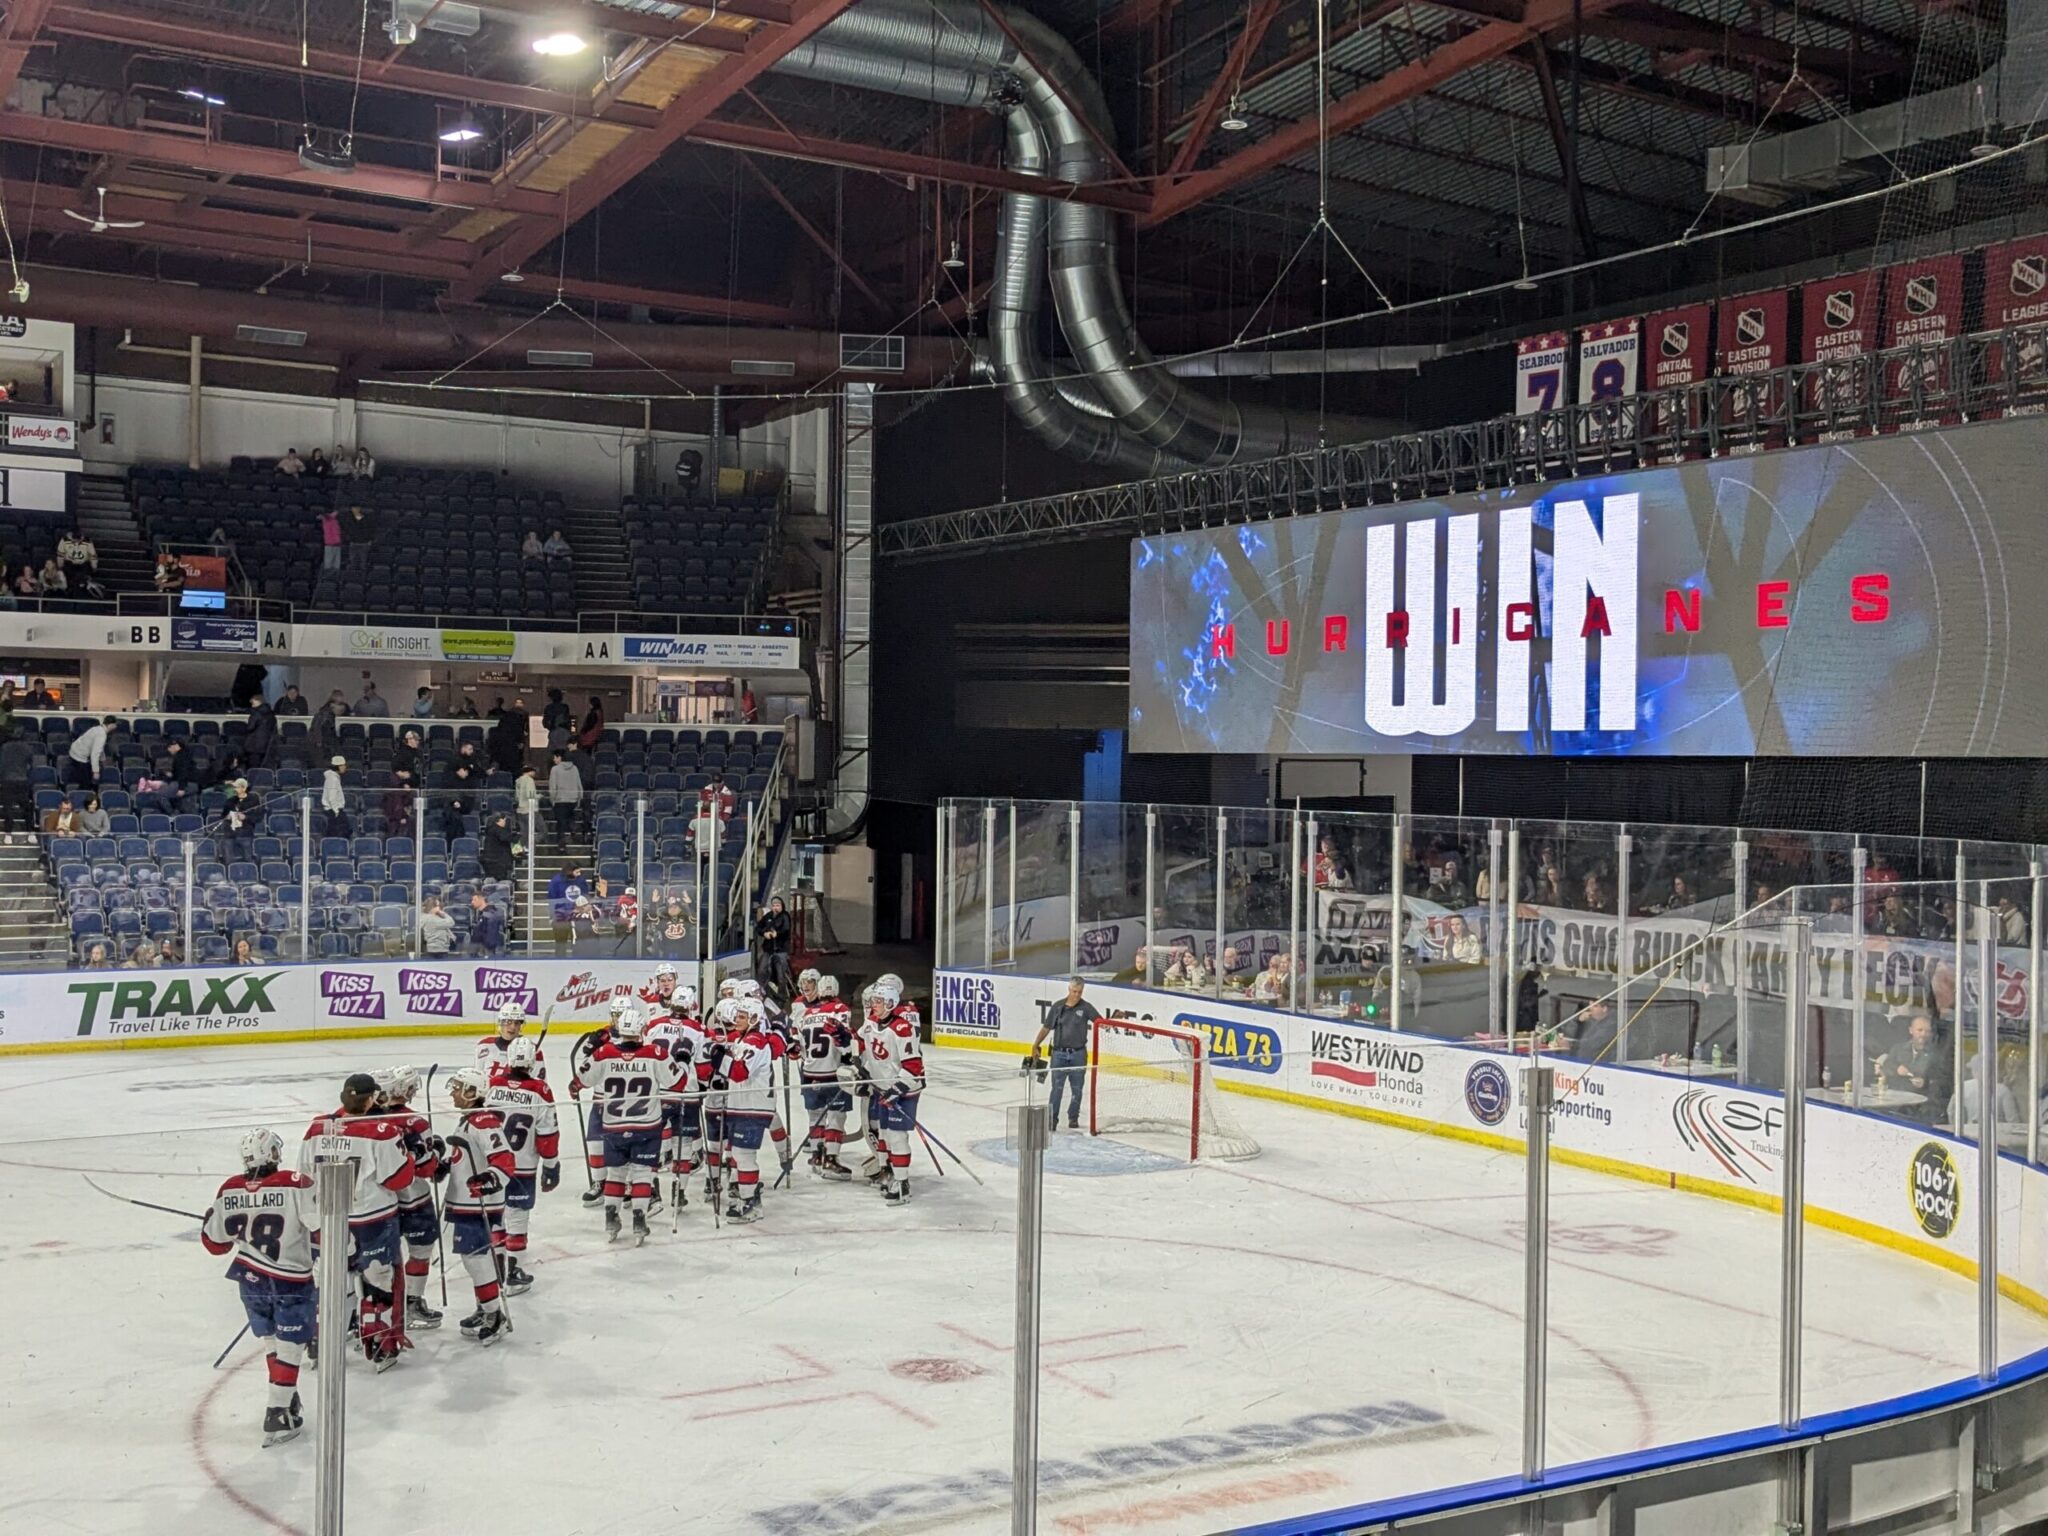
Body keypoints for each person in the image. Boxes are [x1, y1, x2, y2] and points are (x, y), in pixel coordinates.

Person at [200, 1129, 319, 1446]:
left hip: (250, 1278)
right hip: (290, 1278)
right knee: (291, 1345)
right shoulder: (295, 1183)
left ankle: (286, 1397)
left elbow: (215, 1244)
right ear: (273, 1154)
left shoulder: (229, 1189)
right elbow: (320, 1225)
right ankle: (277, 1411)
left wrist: (210, 1219)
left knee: (272, 1341)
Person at [297, 1072, 416, 1369]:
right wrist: (411, 1156)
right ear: (371, 1099)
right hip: (372, 1221)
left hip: (329, 1220)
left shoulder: (317, 1128)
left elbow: (304, 1178)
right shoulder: (382, 1131)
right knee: (379, 1283)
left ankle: (321, 1340)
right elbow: (398, 1179)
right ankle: (382, 1343)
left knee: (331, 1282)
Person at [588, 1004, 681, 1244]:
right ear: (641, 1029)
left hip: (613, 1126)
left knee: (616, 1173)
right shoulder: (655, 1053)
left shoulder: (604, 1053)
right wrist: (681, 1061)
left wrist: (590, 1053)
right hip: (646, 1126)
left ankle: (611, 1218)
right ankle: (639, 1220)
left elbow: (581, 1081)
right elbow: (678, 1083)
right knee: (641, 1173)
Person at [438, 1069, 515, 1344]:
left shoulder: (483, 1121)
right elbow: (467, 1157)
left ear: (472, 1092)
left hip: (478, 1204)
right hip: (467, 1202)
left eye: (458, 1087)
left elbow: (504, 1158)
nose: (453, 1092)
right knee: (475, 1259)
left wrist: (490, 1180)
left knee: (476, 1259)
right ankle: (485, 1308)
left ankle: (494, 1315)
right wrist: (444, 1166)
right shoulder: (469, 1120)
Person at [371, 1066, 444, 1334]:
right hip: (413, 1200)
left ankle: (373, 1311)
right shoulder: (414, 1122)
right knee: (420, 1252)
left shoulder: (357, 1122)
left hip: (375, 1203)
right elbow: (426, 1168)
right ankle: (412, 1303)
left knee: (375, 1261)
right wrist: (437, 1154)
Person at [485, 1036, 559, 1295]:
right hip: (522, 1166)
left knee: (494, 1213)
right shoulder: (540, 1090)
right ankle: (512, 1271)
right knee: (517, 1216)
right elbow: (547, 1134)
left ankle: (493, 1270)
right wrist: (551, 1164)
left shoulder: (490, 1084)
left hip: (491, 1164)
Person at [856, 978, 926, 1205]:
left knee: (897, 1136)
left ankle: (902, 1184)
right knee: (884, 1133)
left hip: (904, 1090)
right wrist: (841, 1035)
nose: (873, 1004)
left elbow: (913, 1067)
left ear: (890, 1003)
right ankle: (889, 1173)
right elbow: (859, 1043)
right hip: (884, 1088)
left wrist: (896, 1090)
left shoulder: (902, 1029)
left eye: (878, 1001)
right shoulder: (871, 1023)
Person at [1029, 976, 1101, 1133]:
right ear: (1069, 989)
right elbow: (1046, 1028)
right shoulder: (1058, 1007)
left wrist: (1113, 1019)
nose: (1077, 995)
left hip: (1078, 1054)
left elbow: (1100, 1022)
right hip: (1059, 1054)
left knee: (1077, 1088)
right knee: (1057, 1088)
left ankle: (1073, 1117)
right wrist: (1036, 1044)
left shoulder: (1086, 1007)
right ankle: (1052, 1119)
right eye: (1074, 991)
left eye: (1080, 992)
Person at [1873, 1012, 1952, 1121]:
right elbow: (1886, 1068)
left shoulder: (1936, 1055)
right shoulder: (1898, 1049)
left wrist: (1925, 1083)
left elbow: (1943, 1080)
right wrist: (1896, 1070)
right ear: (1911, 1030)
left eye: (1928, 1031)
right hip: (1895, 1102)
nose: (1923, 1034)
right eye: (1920, 1030)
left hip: (1920, 1105)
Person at [476, 999, 544, 1077]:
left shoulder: (532, 1049)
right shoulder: (484, 1046)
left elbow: (540, 1082)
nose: (513, 1027)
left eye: (517, 1023)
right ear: (500, 1022)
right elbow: (478, 1079)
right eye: (508, 1021)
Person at [0, 722, 34, 840]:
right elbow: (30, 765)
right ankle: (31, 832)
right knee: (27, 808)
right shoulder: (27, 748)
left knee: (8, 808)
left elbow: (1, 765)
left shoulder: (4, 747)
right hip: (22, 780)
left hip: (7, 780)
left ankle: (8, 834)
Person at [755, 894, 793, 1000]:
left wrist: (778, 933)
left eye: (777, 905)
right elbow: (758, 927)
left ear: (782, 906)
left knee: (781, 974)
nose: (775, 908)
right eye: (774, 905)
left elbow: (786, 929)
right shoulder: (768, 916)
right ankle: (761, 993)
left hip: (781, 950)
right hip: (768, 949)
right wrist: (764, 933)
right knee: (762, 971)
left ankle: (782, 996)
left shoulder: (785, 916)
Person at [65, 714, 116, 790]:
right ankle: (80, 794)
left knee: (85, 776)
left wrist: (103, 760)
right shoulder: (102, 735)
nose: (116, 726)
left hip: (75, 750)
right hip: (80, 755)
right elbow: (95, 754)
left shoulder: (98, 728)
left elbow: (100, 748)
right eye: (115, 724)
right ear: (111, 725)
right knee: (86, 783)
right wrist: (96, 772)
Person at [547, 749, 582, 839]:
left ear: (560, 757)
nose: (554, 759)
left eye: (555, 757)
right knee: (570, 815)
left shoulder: (555, 769)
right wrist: (579, 798)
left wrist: (552, 799)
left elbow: (553, 786)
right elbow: (579, 784)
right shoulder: (575, 768)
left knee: (561, 822)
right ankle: (572, 827)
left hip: (560, 800)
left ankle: (561, 841)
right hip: (573, 799)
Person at [480, 810, 519, 883]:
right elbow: (504, 838)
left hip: (492, 861)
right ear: (500, 820)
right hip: (496, 862)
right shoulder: (497, 830)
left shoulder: (491, 829)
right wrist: (517, 838)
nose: (505, 822)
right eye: (504, 820)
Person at [243, 692, 278, 770]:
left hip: (254, 745)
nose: (251, 705)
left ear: (258, 701)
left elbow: (250, 727)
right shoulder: (271, 714)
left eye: (253, 702)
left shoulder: (256, 713)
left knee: (253, 769)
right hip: (267, 745)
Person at [487, 707, 525, 775]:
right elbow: (520, 745)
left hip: (498, 756)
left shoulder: (497, 729)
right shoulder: (517, 725)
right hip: (513, 756)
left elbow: (491, 746)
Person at [320, 755, 350, 839]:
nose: (345, 767)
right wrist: (336, 812)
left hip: (333, 811)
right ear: (337, 767)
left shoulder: (333, 778)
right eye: (342, 765)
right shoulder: (333, 779)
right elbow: (332, 797)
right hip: (333, 812)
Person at [468, 891, 505, 957]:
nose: (472, 902)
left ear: (482, 899)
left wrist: (485, 949)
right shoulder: (482, 914)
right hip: (481, 950)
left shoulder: (489, 914)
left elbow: (491, 934)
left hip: (487, 951)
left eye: (474, 900)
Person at [341, 504, 375, 570]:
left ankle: (362, 573)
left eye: (356, 509)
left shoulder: (367, 519)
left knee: (363, 563)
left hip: (363, 543)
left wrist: (370, 540)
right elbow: (347, 529)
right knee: (353, 563)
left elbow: (370, 530)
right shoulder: (350, 519)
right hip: (354, 542)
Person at [317, 507, 341, 573]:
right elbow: (322, 516)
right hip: (329, 544)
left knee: (335, 564)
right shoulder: (326, 519)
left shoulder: (334, 521)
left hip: (336, 543)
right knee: (329, 564)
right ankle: (328, 575)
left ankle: (334, 575)